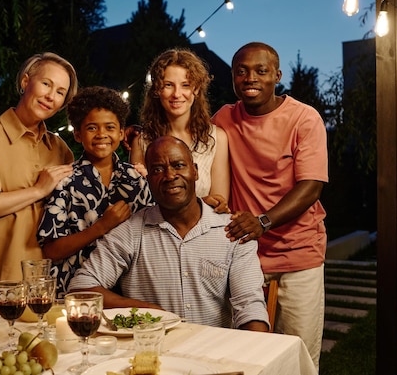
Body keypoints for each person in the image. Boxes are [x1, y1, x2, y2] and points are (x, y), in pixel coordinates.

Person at [69, 136, 269, 331]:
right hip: (151, 353)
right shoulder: (130, 232)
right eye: (157, 169)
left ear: (195, 171)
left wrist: (255, 356)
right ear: (148, 179)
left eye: (179, 165)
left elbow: (250, 306)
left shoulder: (232, 232)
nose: (170, 175)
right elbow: (81, 288)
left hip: (214, 353)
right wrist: (144, 309)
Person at [212, 42, 328, 369]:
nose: (251, 78)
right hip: (243, 256)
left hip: (298, 254)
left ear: (277, 75)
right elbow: (190, 143)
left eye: (261, 71)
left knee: (297, 357)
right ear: (233, 77)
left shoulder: (304, 118)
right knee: (244, 358)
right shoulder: (223, 118)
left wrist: (262, 222)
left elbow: (311, 186)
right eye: (242, 71)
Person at [0, 52, 77, 286]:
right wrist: (38, 191)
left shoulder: (60, 149)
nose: (51, 96)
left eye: (60, 92)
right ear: (25, 82)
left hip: (47, 282)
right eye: (46, 84)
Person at [36, 86, 154, 297]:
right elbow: (50, 251)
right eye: (92, 128)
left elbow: (153, 237)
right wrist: (101, 227)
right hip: (73, 294)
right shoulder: (65, 181)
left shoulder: (136, 180)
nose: (102, 135)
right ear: (78, 134)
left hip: (128, 292)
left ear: (120, 132)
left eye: (109, 127)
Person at [129, 48, 230, 209]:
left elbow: (220, 204)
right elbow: (139, 207)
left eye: (185, 85)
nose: (177, 94)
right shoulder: (142, 142)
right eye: (168, 85)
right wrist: (201, 202)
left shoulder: (217, 138)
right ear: (157, 89)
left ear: (196, 89)